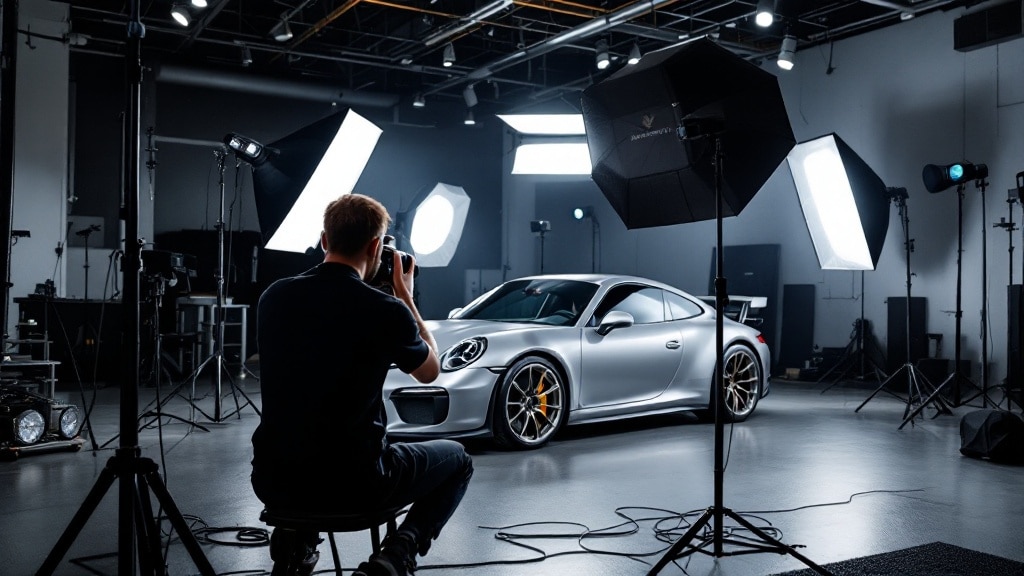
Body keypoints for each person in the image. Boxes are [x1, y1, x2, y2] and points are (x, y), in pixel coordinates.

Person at [251, 193, 474, 576]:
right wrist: (404, 296)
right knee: (458, 460)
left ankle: (297, 542)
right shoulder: (385, 310)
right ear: (376, 246)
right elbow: (430, 371)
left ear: (324, 240)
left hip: (274, 479)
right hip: (357, 483)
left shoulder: (274, 297)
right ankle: (396, 555)